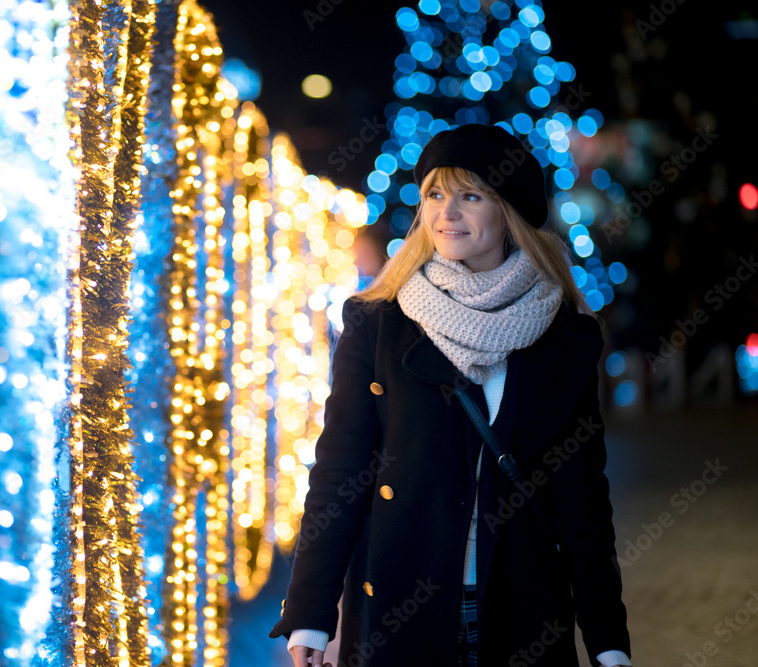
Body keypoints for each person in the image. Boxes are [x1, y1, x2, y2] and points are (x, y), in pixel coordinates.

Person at [269, 124, 634, 666]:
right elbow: (340, 472)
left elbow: (581, 498)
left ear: (508, 209)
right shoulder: (378, 324)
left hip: (522, 615)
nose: (447, 213)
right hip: (399, 614)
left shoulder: (562, 336)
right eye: (435, 195)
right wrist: (310, 613)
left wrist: (608, 641)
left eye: (470, 196)